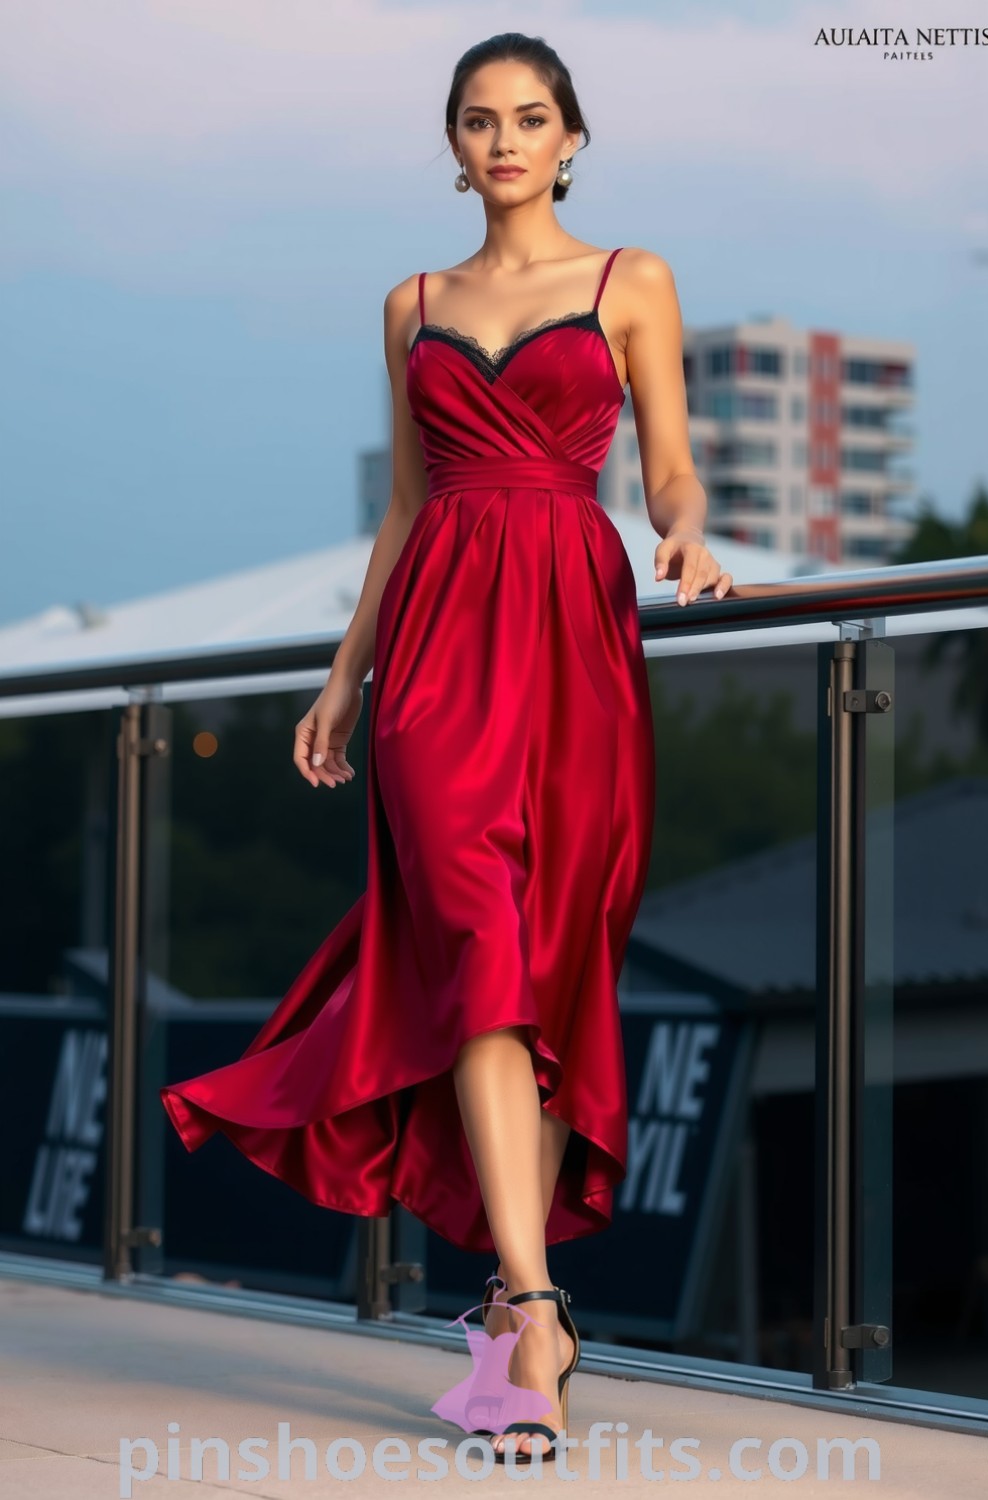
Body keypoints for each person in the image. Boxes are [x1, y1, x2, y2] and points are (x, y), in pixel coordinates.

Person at [160, 30, 734, 1466]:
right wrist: (345, 675)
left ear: (572, 138)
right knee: (477, 944)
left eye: (531, 119)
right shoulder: (410, 305)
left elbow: (669, 460)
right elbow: (410, 506)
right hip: (434, 651)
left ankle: (510, 1308)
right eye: (480, 121)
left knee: (545, 965)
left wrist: (684, 528)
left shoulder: (631, 280)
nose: (505, 142)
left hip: (575, 636)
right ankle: (534, 1313)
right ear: (455, 144)